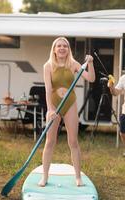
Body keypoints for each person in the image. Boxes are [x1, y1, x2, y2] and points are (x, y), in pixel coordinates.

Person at [39, 37, 95, 187]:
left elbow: (91, 78)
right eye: (59, 46)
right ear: (54, 49)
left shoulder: (74, 64)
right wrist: (50, 109)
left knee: (73, 142)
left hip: (70, 103)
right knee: (50, 142)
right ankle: (44, 176)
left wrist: (90, 63)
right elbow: (48, 89)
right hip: (54, 105)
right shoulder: (48, 66)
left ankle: (78, 177)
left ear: (68, 49)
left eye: (65, 46)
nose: (62, 48)